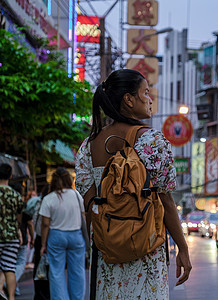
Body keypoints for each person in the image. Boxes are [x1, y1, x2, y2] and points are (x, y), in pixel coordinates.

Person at [75, 69, 192, 299]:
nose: (150, 99)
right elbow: (166, 201)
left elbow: (90, 208)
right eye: (145, 92)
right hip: (145, 253)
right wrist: (183, 248)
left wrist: (99, 246)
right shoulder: (152, 141)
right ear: (129, 99)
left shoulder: (87, 147)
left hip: (107, 257)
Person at [39, 168, 86, 300]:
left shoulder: (49, 199)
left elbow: (45, 224)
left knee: (56, 272)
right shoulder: (77, 196)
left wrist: (43, 244)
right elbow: (83, 216)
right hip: (76, 235)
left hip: (56, 236)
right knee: (77, 271)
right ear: (69, 179)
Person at [0, 164, 23, 300]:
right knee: (9, 268)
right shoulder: (15, 195)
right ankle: (12, 297)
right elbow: (18, 217)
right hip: (12, 236)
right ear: (10, 176)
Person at [9, 182, 34, 296]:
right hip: (21, 238)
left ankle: (14, 288)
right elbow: (30, 224)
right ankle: (7, 283)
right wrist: (33, 238)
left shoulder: (6, 202)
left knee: (9, 263)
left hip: (7, 237)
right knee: (20, 263)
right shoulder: (23, 205)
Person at [32, 184, 51, 300]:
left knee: (39, 267)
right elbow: (45, 224)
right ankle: (47, 295)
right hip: (48, 238)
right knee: (49, 268)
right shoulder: (51, 202)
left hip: (39, 237)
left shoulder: (40, 202)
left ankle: (39, 295)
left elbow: (35, 220)